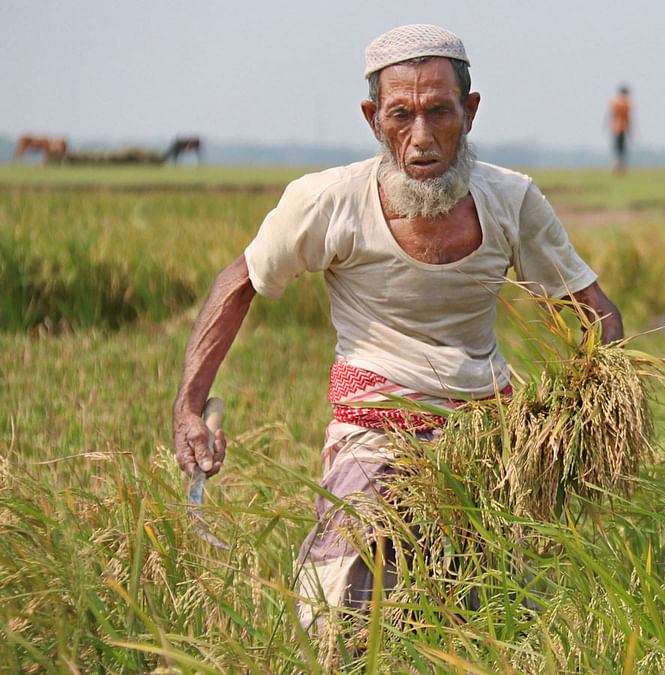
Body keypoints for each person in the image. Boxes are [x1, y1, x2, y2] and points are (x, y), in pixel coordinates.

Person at [171, 23, 623, 632]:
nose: (421, 139)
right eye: (400, 115)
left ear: (470, 112)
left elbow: (589, 308)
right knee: (354, 597)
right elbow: (241, 281)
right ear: (372, 118)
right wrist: (190, 408)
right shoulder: (327, 201)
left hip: (486, 432)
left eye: (440, 113)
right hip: (375, 427)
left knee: (488, 610)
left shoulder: (510, 201)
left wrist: (597, 408)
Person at [606, 85, 632, 174]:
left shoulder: (614, 102)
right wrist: (630, 130)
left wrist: (606, 125)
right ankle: (619, 168)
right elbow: (628, 118)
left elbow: (610, 115)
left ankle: (617, 167)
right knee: (621, 150)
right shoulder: (625, 103)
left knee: (617, 150)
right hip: (622, 128)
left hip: (615, 128)